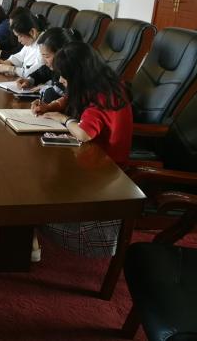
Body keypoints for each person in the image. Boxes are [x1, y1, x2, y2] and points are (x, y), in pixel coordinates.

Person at [36, 41, 134, 258]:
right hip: (95, 156)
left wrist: (63, 118)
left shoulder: (102, 98)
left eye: (65, 76)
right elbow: (69, 98)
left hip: (104, 168)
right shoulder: (102, 83)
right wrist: (50, 106)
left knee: (39, 175)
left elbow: (84, 133)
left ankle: (28, 232)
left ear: (78, 76)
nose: (61, 80)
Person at [15, 27, 77, 103]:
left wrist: (45, 88)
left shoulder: (71, 73)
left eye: (47, 56)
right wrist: (29, 80)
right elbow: (41, 72)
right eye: (42, 56)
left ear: (61, 53)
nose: (44, 61)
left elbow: (52, 95)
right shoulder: (54, 67)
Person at [0, 7, 46, 78]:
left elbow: (34, 72)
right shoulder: (32, 39)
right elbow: (19, 56)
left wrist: (11, 69)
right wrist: (7, 62)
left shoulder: (45, 45)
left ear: (32, 32)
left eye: (20, 36)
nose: (19, 40)